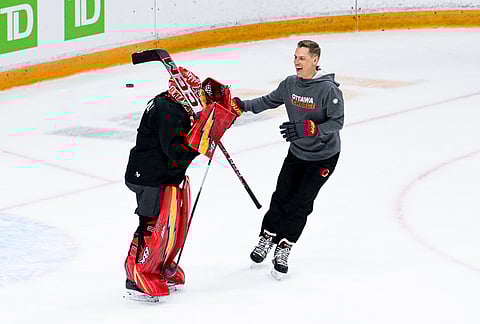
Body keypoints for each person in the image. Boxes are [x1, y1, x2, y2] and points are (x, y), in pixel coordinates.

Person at [232, 40, 344, 277]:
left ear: (315, 60)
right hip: (297, 153)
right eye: (295, 57)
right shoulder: (290, 84)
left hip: (323, 157)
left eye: (302, 58)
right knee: (281, 195)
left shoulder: (328, 90)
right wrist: (241, 106)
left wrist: (312, 129)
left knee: (301, 202)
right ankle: (268, 236)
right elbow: (267, 101)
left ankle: (285, 245)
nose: (297, 62)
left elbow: (337, 122)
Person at [123, 67, 202, 300]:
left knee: (169, 225)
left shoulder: (171, 105)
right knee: (151, 223)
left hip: (162, 175)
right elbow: (177, 152)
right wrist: (201, 141)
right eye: (194, 92)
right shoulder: (167, 111)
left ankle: (158, 265)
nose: (197, 97)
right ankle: (135, 275)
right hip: (149, 177)